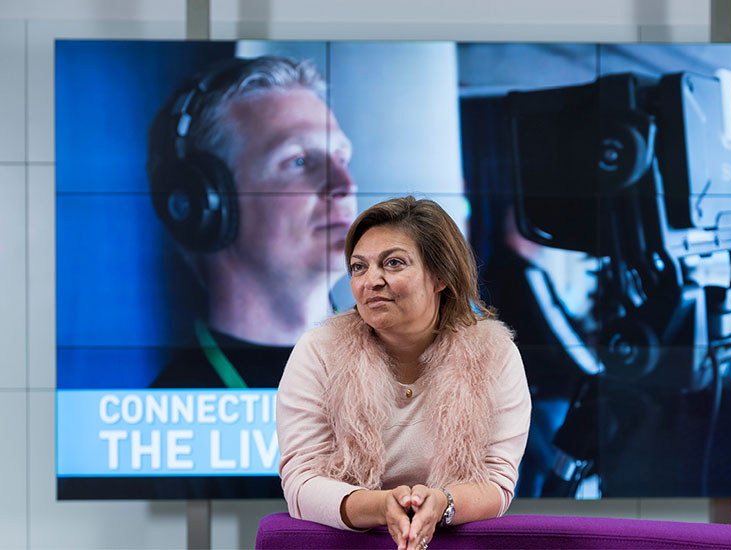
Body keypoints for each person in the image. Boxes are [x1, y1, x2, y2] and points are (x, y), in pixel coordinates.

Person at [277, 197, 531, 550]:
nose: (371, 281)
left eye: (393, 263)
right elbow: (302, 483)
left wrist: (442, 502)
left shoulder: (494, 353)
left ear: (441, 276)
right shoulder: (319, 351)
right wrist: (383, 506)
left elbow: (497, 483)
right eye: (358, 267)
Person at [146, 56, 357, 388]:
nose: (345, 185)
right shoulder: (168, 410)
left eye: (341, 158)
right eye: (299, 160)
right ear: (209, 202)